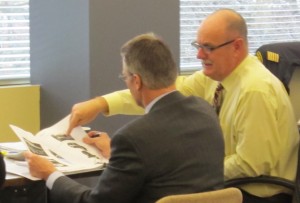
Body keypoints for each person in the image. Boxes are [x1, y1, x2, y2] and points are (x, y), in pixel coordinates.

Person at [66, 9, 299, 203]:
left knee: (147, 189)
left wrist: (181, 169)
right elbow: (161, 90)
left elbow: (251, 165)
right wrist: (101, 103)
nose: (199, 55)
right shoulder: (214, 78)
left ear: (236, 46)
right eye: (197, 45)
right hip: (228, 184)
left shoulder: (255, 90)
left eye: (208, 47)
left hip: (256, 194)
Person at [24, 33, 225, 203]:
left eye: (125, 77)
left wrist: (50, 174)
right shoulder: (205, 112)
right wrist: (116, 155)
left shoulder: (134, 137)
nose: (127, 83)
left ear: (136, 81)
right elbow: (171, 166)